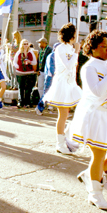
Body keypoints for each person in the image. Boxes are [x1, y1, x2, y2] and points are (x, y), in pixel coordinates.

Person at [69, 30, 107, 210]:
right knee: (99, 154)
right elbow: (96, 91)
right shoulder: (89, 67)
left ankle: (90, 174)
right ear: (92, 48)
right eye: (103, 47)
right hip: (94, 115)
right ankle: (95, 193)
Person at [43, 23, 82, 154]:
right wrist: (76, 51)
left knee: (80, 109)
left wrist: (75, 51)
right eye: (75, 34)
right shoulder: (60, 48)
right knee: (63, 115)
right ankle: (60, 143)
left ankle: (66, 135)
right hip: (62, 84)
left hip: (71, 84)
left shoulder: (70, 48)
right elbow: (68, 65)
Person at [36, 43, 60, 116]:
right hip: (50, 77)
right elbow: (51, 68)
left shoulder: (59, 56)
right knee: (46, 93)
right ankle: (39, 108)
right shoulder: (52, 56)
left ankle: (62, 111)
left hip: (56, 77)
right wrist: (56, 74)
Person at [13, 39, 37, 108]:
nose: (26, 45)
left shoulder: (31, 52)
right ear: (22, 44)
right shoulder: (19, 52)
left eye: (27, 44)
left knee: (28, 89)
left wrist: (30, 62)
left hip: (29, 73)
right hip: (20, 73)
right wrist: (18, 66)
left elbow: (34, 62)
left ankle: (27, 102)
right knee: (21, 87)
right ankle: (21, 102)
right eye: (24, 44)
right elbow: (14, 62)